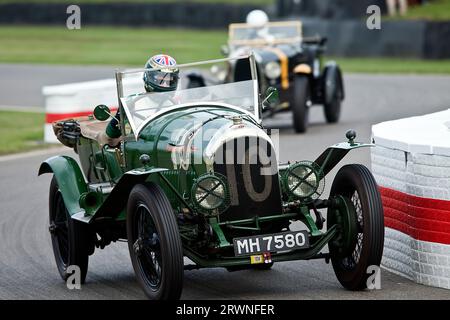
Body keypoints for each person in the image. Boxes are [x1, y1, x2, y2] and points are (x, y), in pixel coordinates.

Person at [105, 54, 179, 139]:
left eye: (169, 81)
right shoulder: (131, 103)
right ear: (148, 77)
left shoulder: (176, 104)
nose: (165, 85)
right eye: (160, 80)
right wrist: (120, 116)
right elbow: (110, 135)